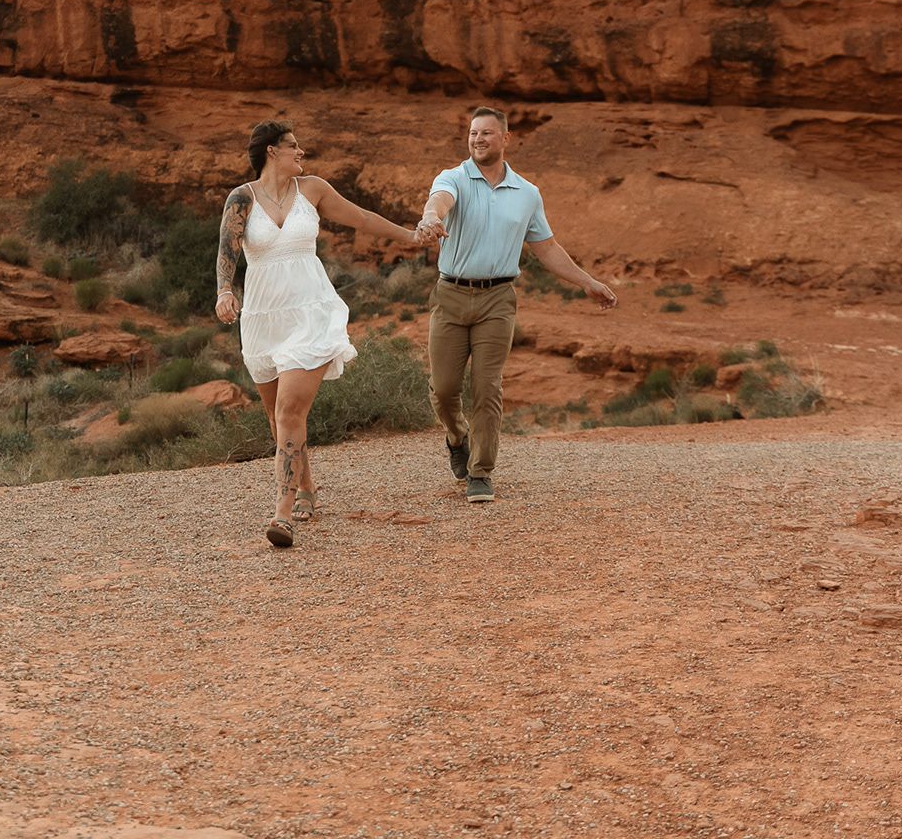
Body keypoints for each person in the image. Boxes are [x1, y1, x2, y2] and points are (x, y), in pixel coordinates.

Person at [217, 119, 422, 549]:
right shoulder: (241, 198)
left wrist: (410, 236)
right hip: (262, 316)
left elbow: (361, 217)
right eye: (294, 146)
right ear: (272, 151)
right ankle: (306, 487)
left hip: (311, 311)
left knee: (291, 410)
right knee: (279, 421)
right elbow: (228, 251)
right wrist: (223, 292)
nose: (301, 152)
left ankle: (282, 513)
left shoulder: (313, 190)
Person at [415, 106, 616, 503]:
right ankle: (457, 437)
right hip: (451, 294)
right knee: (443, 389)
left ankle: (480, 471)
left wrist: (587, 282)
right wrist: (429, 216)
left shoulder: (527, 193)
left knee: (487, 386)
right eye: (473, 133)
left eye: (487, 134)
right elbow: (440, 201)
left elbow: (547, 248)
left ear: (505, 139)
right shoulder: (454, 177)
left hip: (498, 299)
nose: (478, 140)